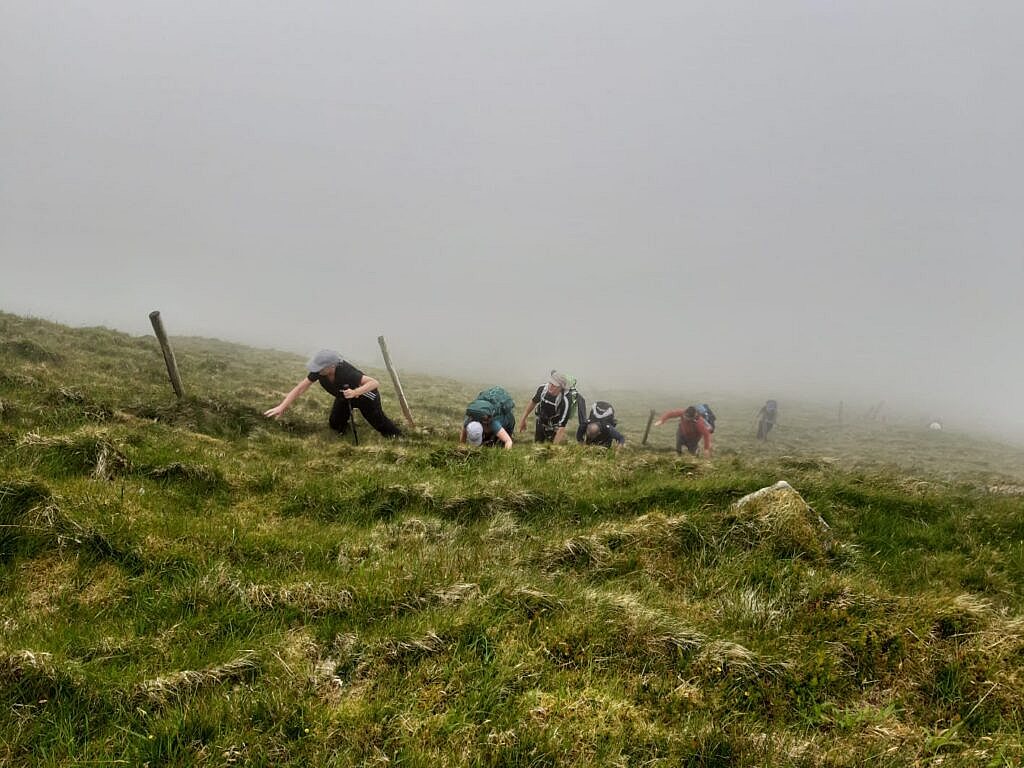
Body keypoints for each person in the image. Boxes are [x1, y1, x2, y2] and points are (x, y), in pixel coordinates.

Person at [264, 349, 402, 438]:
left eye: (320, 367)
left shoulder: (346, 372)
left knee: (380, 424)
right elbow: (300, 388)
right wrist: (282, 407)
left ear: (332, 366)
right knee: (335, 423)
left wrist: (355, 392)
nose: (317, 370)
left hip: (365, 397)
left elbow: (374, 383)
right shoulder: (319, 372)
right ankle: (345, 432)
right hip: (343, 396)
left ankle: (398, 437)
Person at [519, 371, 579, 444]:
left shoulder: (565, 400)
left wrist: (553, 448)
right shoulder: (542, 389)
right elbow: (533, 402)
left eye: (554, 385)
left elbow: (561, 428)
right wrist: (523, 419)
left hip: (555, 427)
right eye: (550, 383)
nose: (550, 386)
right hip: (541, 421)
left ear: (561, 387)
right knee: (538, 443)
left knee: (553, 443)